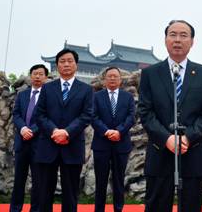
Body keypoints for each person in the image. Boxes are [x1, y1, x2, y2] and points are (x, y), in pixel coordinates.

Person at [138, 20, 202, 212]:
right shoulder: (150, 74)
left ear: (192, 41)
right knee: (156, 206)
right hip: (160, 151)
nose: (178, 40)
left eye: (183, 35)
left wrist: (188, 137)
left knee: (190, 206)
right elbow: (145, 112)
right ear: (165, 40)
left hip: (192, 151)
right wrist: (167, 138)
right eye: (173, 34)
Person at [34, 49, 94, 212]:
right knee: (44, 193)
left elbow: (86, 116)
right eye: (62, 61)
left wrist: (67, 132)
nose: (66, 64)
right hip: (48, 145)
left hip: (72, 145)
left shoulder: (86, 89)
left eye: (69, 61)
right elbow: (39, 114)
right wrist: (54, 131)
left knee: (71, 192)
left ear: (76, 64)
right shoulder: (47, 88)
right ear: (57, 65)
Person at [91, 66, 135, 212]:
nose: (112, 79)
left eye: (115, 76)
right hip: (101, 144)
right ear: (104, 79)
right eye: (109, 76)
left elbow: (131, 118)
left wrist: (119, 131)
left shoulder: (127, 97)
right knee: (101, 181)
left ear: (120, 79)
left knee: (118, 180)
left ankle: (118, 208)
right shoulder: (96, 96)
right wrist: (106, 131)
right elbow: (93, 117)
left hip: (121, 144)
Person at [10, 64, 49, 212]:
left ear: (46, 77)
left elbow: (46, 117)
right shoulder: (22, 94)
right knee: (18, 180)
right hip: (22, 142)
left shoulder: (48, 96)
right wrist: (23, 128)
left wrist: (32, 130)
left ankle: (36, 209)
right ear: (30, 76)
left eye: (40, 74)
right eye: (34, 73)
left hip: (39, 143)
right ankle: (15, 208)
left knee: (38, 181)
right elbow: (16, 114)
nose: (37, 76)